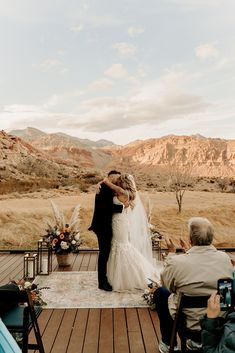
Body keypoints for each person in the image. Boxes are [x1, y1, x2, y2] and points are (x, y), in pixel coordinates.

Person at [153, 217, 233, 353]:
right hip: (218, 321)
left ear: (190, 239)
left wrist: (172, 255)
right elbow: (226, 296)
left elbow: (167, 285)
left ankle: (168, 343)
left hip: (187, 324)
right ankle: (197, 342)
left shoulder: (177, 262)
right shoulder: (225, 259)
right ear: (211, 238)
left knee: (161, 293)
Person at [102, 174, 162, 292]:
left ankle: (137, 274)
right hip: (119, 221)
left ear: (123, 183)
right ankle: (124, 275)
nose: (117, 183)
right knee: (119, 246)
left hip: (120, 223)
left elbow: (114, 188)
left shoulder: (122, 192)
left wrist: (105, 181)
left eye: (119, 181)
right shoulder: (126, 194)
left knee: (121, 247)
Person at [89, 170, 125, 291]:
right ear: (111, 177)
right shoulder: (104, 188)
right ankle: (102, 282)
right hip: (102, 225)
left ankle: (105, 278)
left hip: (104, 224)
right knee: (104, 254)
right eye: (117, 178)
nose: (118, 180)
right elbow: (106, 207)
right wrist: (123, 207)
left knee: (105, 253)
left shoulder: (107, 187)